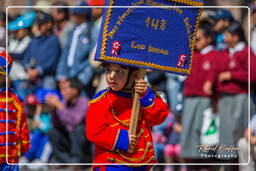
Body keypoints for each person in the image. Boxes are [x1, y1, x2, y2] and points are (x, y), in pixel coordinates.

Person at [86, 63, 169, 170]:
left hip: (141, 162)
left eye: (119, 71)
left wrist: (146, 96)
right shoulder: (101, 100)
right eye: (108, 71)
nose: (111, 76)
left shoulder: (145, 95)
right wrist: (123, 139)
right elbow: (94, 131)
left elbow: (158, 118)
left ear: (134, 75)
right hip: (112, 163)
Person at [203, 21, 256, 162]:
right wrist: (210, 81)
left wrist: (232, 75)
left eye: (226, 35)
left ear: (235, 37)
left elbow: (253, 74)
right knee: (226, 134)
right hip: (225, 98)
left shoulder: (246, 52)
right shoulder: (224, 53)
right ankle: (227, 163)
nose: (224, 38)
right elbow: (215, 68)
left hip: (241, 97)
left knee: (239, 133)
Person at [180, 23, 220, 161]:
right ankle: (190, 160)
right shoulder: (193, 54)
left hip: (205, 98)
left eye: (199, 39)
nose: (196, 42)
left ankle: (204, 161)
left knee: (203, 129)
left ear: (208, 39)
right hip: (190, 96)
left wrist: (211, 84)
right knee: (189, 128)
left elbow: (214, 72)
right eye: (194, 39)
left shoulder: (215, 55)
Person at [56, 1, 95, 98]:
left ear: (82, 15)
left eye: (75, 13)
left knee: (82, 106)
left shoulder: (92, 32)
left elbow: (92, 58)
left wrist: (82, 79)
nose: (72, 16)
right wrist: (61, 75)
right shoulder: (73, 31)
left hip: (82, 79)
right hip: (69, 76)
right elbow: (65, 54)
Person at [47, 78, 89, 166]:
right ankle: (67, 161)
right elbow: (55, 124)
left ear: (75, 90)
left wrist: (59, 107)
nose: (62, 92)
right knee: (52, 132)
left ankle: (76, 161)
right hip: (69, 139)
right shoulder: (64, 102)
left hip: (83, 144)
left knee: (79, 129)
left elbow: (74, 123)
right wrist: (54, 110)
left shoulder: (84, 102)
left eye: (65, 89)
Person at [0, 50, 30, 170]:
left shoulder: (14, 100)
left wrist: (24, 146)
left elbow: (22, 125)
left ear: (5, 77)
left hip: (9, 157)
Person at [22, 12, 61, 92]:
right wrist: (28, 69)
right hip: (31, 77)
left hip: (47, 76)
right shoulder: (34, 40)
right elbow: (26, 57)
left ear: (49, 24)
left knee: (47, 99)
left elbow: (52, 61)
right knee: (23, 93)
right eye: (38, 24)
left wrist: (37, 71)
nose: (38, 27)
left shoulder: (53, 40)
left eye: (41, 24)